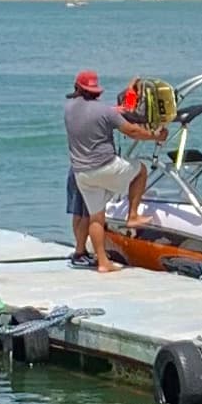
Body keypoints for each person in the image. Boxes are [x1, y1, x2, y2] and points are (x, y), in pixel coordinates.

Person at [64, 66, 140, 274]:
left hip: (78, 167)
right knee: (87, 214)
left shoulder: (69, 106)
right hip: (95, 165)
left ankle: (84, 253)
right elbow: (120, 117)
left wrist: (129, 92)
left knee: (84, 213)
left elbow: (114, 112)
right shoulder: (102, 111)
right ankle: (80, 252)